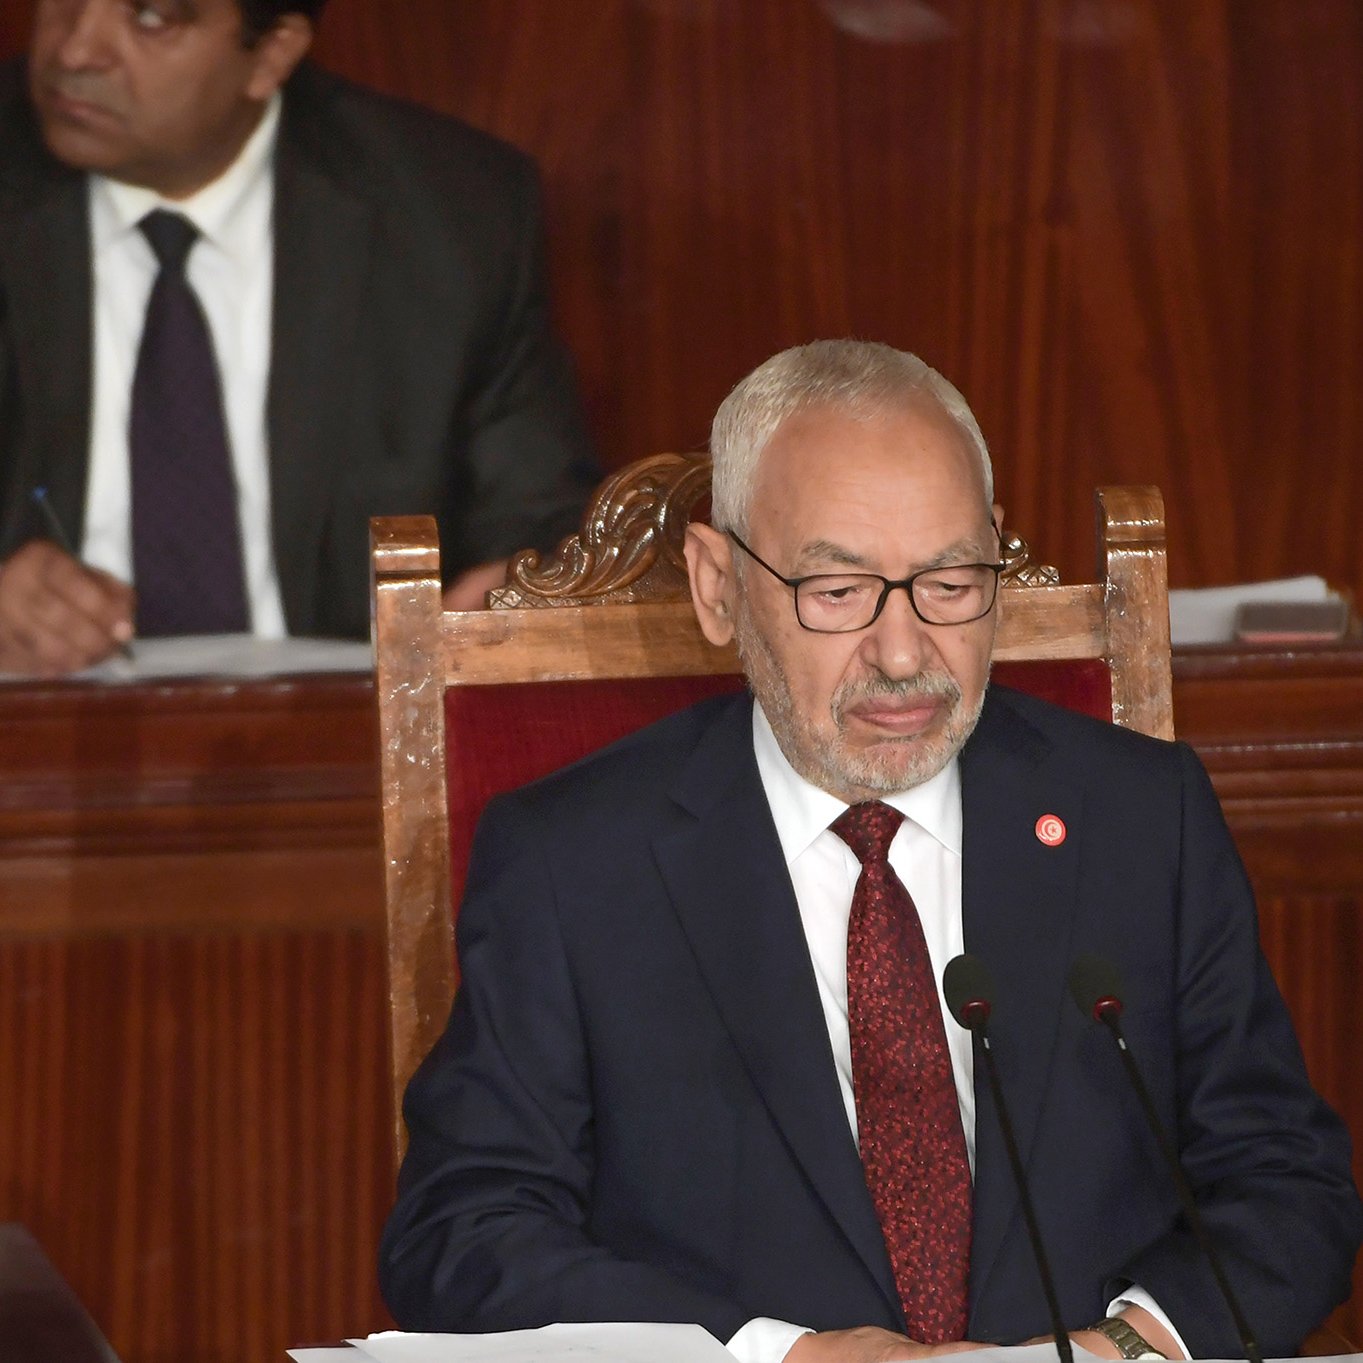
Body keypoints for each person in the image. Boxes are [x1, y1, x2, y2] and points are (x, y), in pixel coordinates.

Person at [379, 341, 1361, 1362]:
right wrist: (778, 1354)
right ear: (718, 587)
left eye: (948, 581)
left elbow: (1286, 1185)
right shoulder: (574, 862)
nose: (903, 655)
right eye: (838, 590)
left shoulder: (1140, 819)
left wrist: (1127, 1346)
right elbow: (463, 1235)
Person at [0, 0, 597, 674]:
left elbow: (542, 519)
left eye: (151, 19)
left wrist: (517, 593)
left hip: (351, 728)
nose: (75, 52)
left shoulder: (453, 211)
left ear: (273, 52)